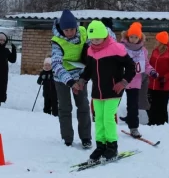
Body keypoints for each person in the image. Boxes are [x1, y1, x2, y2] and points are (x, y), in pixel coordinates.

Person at [76, 20, 136, 162]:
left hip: (114, 90)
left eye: (97, 39)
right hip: (98, 91)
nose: (95, 42)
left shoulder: (116, 48)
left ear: (104, 35)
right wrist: (81, 81)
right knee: (99, 118)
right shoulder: (90, 50)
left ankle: (112, 147)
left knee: (108, 118)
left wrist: (124, 82)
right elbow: (89, 69)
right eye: (92, 40)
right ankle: (101, 146)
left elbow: (131, 67)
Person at [51, 9, 92, 148]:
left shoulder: (84, 33)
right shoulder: (57, 42)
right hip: (62, 78)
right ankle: (67, 138)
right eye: (66, 30)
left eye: (72, 29)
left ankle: (86, 137)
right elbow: (56, 64)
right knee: (65, 107)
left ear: (76, 27)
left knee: (83, 106)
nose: (69, 33)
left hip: (80, 75)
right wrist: (70, 82)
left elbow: (94, 46)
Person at [119, 22, 158, 138]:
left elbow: (146, 65)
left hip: (135, 81)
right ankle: (107, 124)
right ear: (127, 36)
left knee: (133, 105)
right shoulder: (121, 47)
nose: (133, 39)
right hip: (121, 80)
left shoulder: (143, 50)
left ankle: (134, 128)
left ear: (140, 38)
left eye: (136, 37)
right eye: (131, 37)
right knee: (113, 103)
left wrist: (152, 71)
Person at [147, 31, 169, 125]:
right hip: (152, 84)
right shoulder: (155, 51)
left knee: (161, 106)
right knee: (151, 105)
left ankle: (162, 125)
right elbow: (149, 65)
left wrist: (166, 77)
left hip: (163, 85)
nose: (155, 41)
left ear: (162, 41)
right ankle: (151, 123)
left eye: (157, 40)